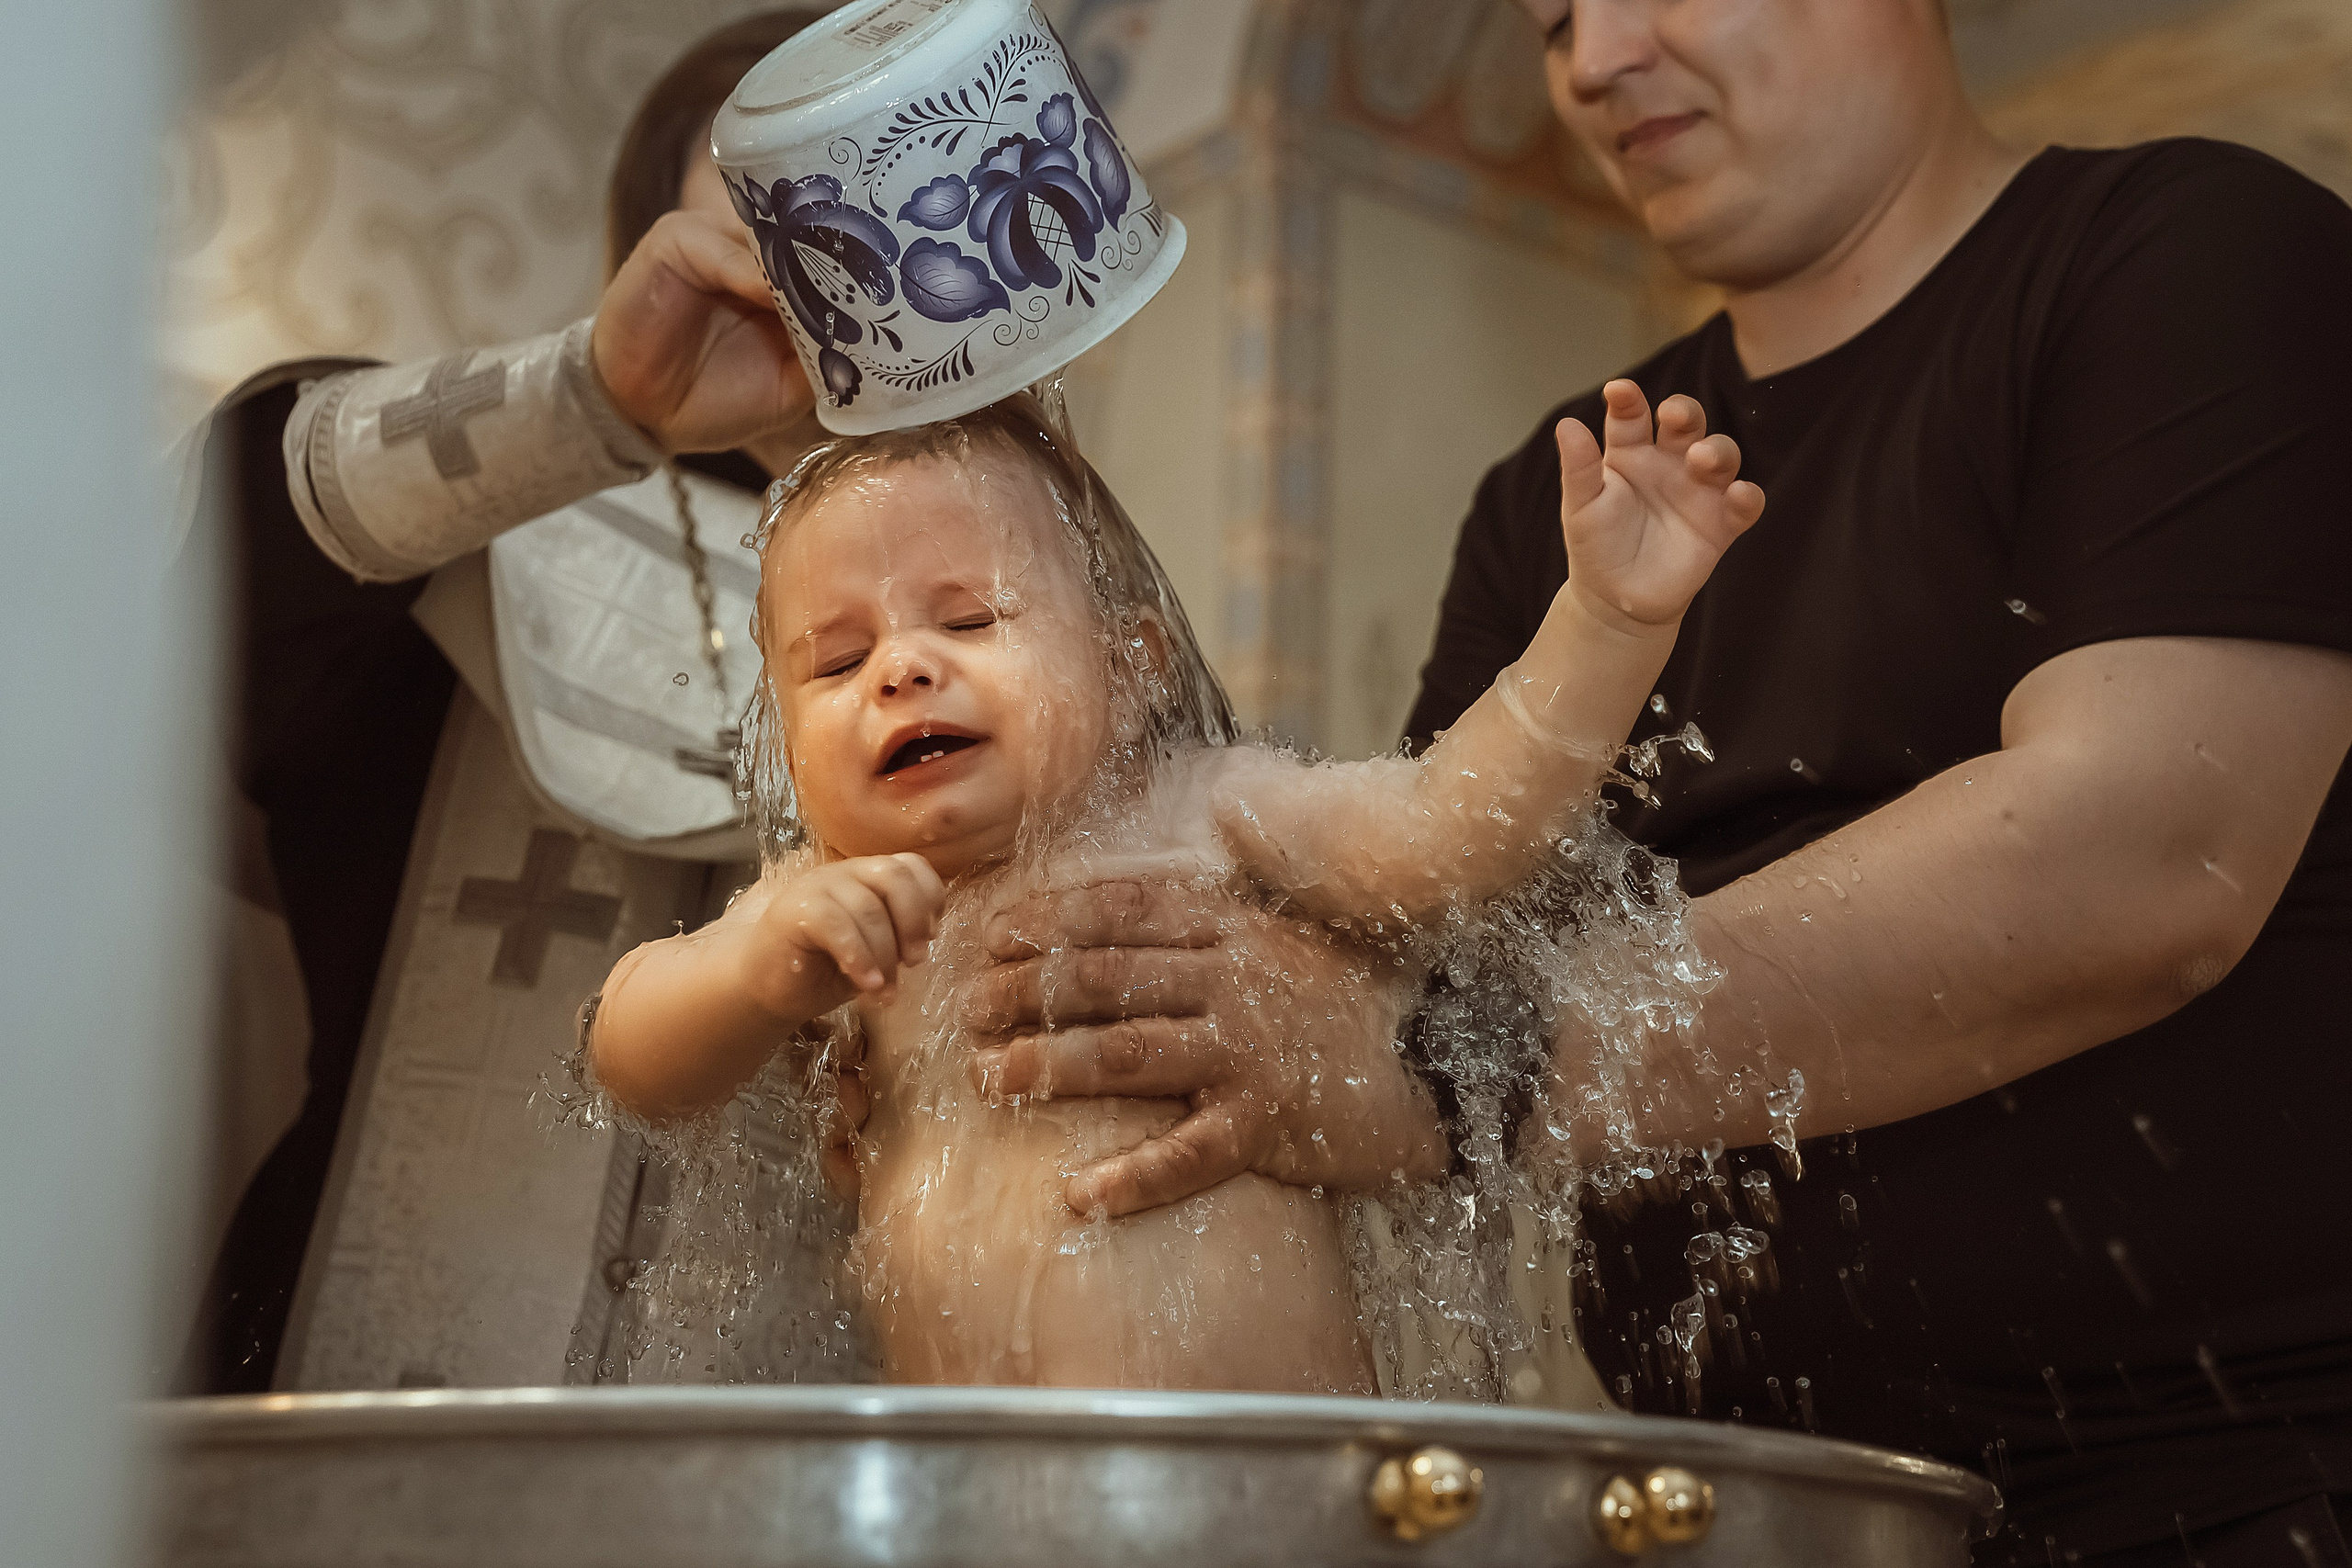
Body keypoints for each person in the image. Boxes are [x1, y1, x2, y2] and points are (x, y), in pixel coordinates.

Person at [963, 0, 2352, 1561]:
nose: (1593, 62)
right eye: (1551, 18)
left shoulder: (2191, 252)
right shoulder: (1554, 498)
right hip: (1740, 1509)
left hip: (2239, 1477)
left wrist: (1457, 1068)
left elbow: (2150, 853)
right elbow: (1392, 955)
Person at [583, 374, 1761, 1389]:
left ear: (1132, 666)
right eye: (836, 661)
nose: (900, 669)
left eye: (972, 616)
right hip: (971, 1500)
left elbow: (1452, 831)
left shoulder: (1207, 813)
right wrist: (748, 971)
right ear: (784, 743)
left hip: (1264, 1487)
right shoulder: (830, 906)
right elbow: (635, 1064)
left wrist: (1606, 623)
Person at [179, 11, 831, 1393]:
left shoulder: (1029, 615)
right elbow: (225, 576)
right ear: (656, 238)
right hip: (361, 1393)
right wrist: (600, 393)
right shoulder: (479, 523)